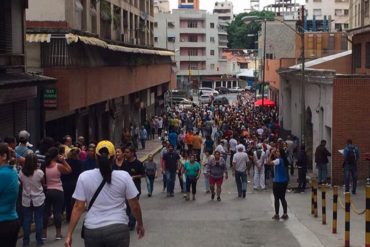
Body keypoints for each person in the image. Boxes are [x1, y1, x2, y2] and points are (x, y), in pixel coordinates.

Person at [64, 140, 145, 247]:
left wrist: (69, 234)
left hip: (93, 231)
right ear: (113, 158)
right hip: (118, 229)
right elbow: (134, 205)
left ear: (96, 157)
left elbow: (78, 206)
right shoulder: (124, 176)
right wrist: (140, 224)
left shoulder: (84, 177)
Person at [42, 147, 72, 240]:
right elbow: (69, 170)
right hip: (58, 190)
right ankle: (58, 234)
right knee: (57, 213)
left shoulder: (44, 166)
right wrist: (63, 161)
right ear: (56, 156)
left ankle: (44, 234)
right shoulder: (58, 166)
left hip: (47, 191)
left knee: (46, 213)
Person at [19, 153, 45, 246]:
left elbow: (21, 183)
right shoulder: (39, 172)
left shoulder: (21, 172)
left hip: (26, 199)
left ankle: (26, 241)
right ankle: (39, 240)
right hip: (38, 198)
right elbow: (43, 183)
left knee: (27, 221)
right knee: (39, 219)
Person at [0, 143, 20, 247]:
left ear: (3, 156)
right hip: (10, 220)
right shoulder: (11, 170)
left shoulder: (3, 174)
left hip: (3, 222)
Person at [123, 147, 145, 230]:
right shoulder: (124, 163)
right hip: (125, 189)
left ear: (132, 153)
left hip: (135, 188)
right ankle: (129, 220)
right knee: (127, 206)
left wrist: (134, 177)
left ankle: (132, 223)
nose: (125, 154)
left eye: (127, 152)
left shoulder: (138, 163)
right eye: (125, 152)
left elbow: (143, 174)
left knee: (133, 205)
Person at [62, 148, 83, 222]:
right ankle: (74, 217)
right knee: (74, 201)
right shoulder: (79, 162)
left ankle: (68, 217)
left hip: (66, 182)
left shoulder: (66, 162)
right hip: (75, 183)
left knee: (67, 200)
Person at [268, 148, 289, 220]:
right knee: (282, 197)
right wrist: (274, 154)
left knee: (276, 198)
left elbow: (269, 163)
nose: (276, 152)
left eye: (277, 151)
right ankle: (285, 213)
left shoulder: (278, 160)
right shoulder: (284, 160)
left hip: (277, 181)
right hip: (284, 181)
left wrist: (271, 154)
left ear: (280, 153)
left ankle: (277, 214)